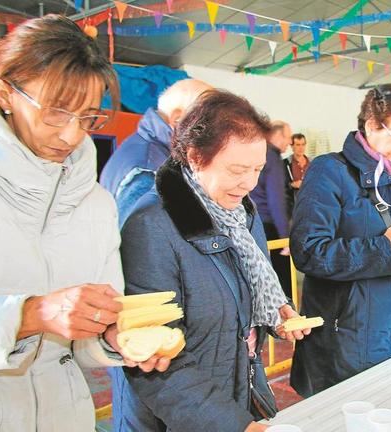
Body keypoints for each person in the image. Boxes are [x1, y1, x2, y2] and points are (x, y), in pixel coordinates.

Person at [0, 15, 163, 432]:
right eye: (56, 113)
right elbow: (42, 316)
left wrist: (118, 338)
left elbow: (94, 324)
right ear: (7, 93)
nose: (71, 136)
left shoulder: (95, 203)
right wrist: (28, 315)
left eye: (88, 118)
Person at [114, 90, 310, 432]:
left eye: (258, 170)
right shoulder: (151, 226)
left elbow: (245, 290)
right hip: (177, 416)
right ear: (194, 155)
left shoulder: (242, 215)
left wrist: (277, 312)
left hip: (234, 392)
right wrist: (233, 425)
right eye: (237, 170)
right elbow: (155, 359)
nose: (248, 184)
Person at [290, 84, 391, 397]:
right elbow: (308, 252)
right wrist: (387, 248)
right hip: (347, 341)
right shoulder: (329, 171)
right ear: (371, 124)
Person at [99, 78, 212, 225]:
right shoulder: (149, 169)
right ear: (178, 119)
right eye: (209, 121)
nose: (216, 133)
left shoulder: (152, 151)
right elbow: (139, 242)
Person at [250, 120, 293, 296]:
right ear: (277, 135)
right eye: (288, 138)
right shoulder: (273, 158)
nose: (289, 144)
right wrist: (285, 237)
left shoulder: (257, 154)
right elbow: (276, 200)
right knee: (282, 280)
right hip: (270, 227)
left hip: (253, 223)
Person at [284, 132, 310, 218]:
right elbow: (277, 186)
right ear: (292, 146)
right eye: (298, 145)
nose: (301, 148)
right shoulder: (285, 164)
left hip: (310, 206)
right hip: (292, 210)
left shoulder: (313, 163)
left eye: (303, 144)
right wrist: (291, 185)